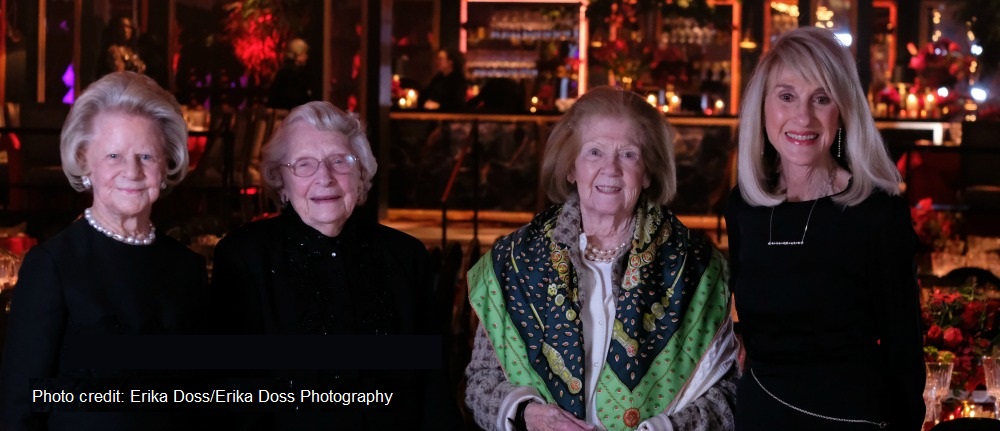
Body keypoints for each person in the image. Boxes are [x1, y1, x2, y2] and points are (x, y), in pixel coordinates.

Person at [465, 86, 739, 431]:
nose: (611, 168)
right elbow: (481, 382)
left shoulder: (697, 268)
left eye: (628, 154)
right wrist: (527, 415)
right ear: (571, 167)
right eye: (594, 152)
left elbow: (728, 395)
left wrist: (666, 429)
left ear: (648, 172)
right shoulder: (514, 261)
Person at [725, 27, 925, 430]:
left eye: (821, 98)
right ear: (762, 107)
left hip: (853, 420)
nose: (803, 117)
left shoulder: (877, 213)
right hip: (760, 416)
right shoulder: (744, 206)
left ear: (843, 110)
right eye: (786, 96)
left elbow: (904, 350)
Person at [210, 101, 454, 429]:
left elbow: (434, 388)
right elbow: (236, 395)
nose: (324, 178)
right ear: (281, 182)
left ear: (360, 172)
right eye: (304, 164)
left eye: (339, 161)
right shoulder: (243, 257)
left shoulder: (406, 256)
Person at [0, 71, 208, 430]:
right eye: (113, 155)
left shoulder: (187, 268)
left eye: (146, 156)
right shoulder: (51, 266)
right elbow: (21, 405)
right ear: (85, 161)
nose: (132, 171)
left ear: (166, 165)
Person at [267, 38, 314, 110]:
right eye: (304, 53)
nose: (306, 57)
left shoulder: (285, 69)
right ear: (297, 54)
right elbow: (294, 97)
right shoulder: (292, 72)